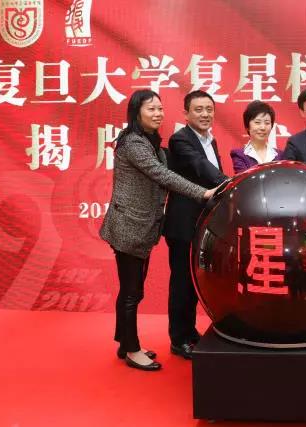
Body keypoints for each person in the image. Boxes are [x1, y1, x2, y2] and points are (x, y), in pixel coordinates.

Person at [100, 89, 216, 371]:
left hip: (141, 226)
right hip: (128, 226)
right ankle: (132, 349)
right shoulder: (133, 143)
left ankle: (124, 342)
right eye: (151, 109)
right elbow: (162, 175)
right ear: (136, 112)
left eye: (160, 109)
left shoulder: (151, 141)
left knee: (131, 290)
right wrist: (203, 193)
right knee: (132, 292)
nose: (157, 113)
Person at [163, 90, 228, 360]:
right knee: (182, 282)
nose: (205, 114)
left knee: (195, 281)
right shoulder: (180, 139)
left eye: (209, 109)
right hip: (183, 223)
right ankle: (179, 339)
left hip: (204, 223)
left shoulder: (211, 140)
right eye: (198, 109)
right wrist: (228, 183)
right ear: (186, 114)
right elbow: (200, 167)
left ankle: (189, 333)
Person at [230, 101, 283, 173]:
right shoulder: (239, 155)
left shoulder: (280, 155)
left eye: (267, 123)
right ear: (247, 126)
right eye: (257, 122)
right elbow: (244, 178)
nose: (263, 127)